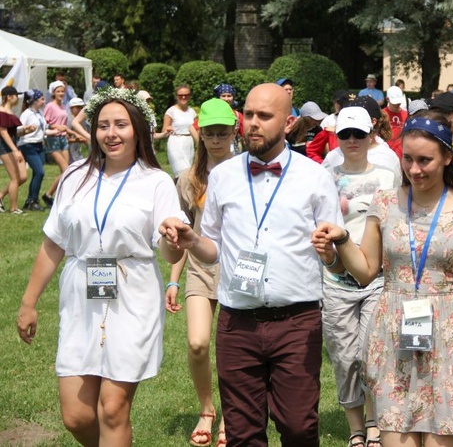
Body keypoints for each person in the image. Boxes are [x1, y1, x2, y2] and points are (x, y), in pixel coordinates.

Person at [159, 83, 343, 445]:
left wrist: (330, 254)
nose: (253, 124)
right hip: (237, 322)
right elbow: (212, 249)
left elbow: (336, 257)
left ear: (289, 122)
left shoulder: (315, 177)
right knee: (243, 433)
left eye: (265, 116)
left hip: (297, 321)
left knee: (298, 426)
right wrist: (193, 240)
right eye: (249, 114)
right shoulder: (223, 177)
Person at [16, 88, 186, 446]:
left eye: (121, 125)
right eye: (103, 125)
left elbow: (171, 253)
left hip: (133, 293)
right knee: (76, 416)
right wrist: (29, 303)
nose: (111, 133)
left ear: (137, 129)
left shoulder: (155, 182)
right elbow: (53, 242)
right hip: (81, 294)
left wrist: (172, 242)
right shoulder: (75, 175)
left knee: (113, 408)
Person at [311, 111, 453, 446]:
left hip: (449, 333)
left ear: (447, 157)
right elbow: (365, 271)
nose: (414, 169)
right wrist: (342, 239)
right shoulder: (385, 202)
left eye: (425, 160)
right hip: (394, 328)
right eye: (407, 158)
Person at [321, 106, 399, 447]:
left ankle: (373, 424)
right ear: (336, 137)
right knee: (344, 357)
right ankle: (355, 428)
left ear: (371, 135)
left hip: (377, 278)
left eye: (358, 134)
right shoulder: (325, 173)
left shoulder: (388, 173)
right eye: (344, 134)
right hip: (336, 279)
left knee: (373, 352)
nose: (351, 141)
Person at [165, 98, 237, 447]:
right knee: (197, 344)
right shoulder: (188, 180)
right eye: (210, 133)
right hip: (200, 270)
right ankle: (207, 409)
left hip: (240, 272)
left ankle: (231, 417)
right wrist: (173, 280)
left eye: (223, 133)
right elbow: (181, 234)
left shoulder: (245, 173)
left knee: (233, 350)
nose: (217, 140)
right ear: (200, 134)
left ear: (234, 133)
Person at [0, 86, 33, 214]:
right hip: (4, 146)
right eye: (15, 95)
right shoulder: (1, 111)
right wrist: (15, 150)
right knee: (15, 177)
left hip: (11, 145)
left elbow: (13, 133)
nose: (18, 98)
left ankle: (1, 195)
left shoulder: (10, 112)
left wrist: (26, 130)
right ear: (9, 96)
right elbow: (3, 132)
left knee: (23, 176)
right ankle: (14, 208)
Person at [41, 80, 73, 207]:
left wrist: (70, 131)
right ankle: (49, 194)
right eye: (58, 91)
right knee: (65, 170)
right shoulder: (50, 106)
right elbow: (44, 122)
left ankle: (58, 197)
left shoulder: (63, 106)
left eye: (62, 91)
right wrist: (56, 126)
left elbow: (63, 125)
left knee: (67, 170)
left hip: (63, 139)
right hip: (53, 139)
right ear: (53, 93)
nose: (61, 93)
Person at [17, 89, 50, 211]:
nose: (44, 101)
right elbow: (18, 131)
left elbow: (43, 129)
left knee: (38, 174)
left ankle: (31, 200)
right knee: (40, 172)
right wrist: (27, 129)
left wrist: (55, 132)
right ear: (34, 101)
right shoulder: (26, 114)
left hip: (39, 145)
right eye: (41, 99)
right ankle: (32, 199)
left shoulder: (39, 113)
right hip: (28, 145)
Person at [161, 85, 198, 179]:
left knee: (188, 170)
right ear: (176, 96)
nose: (183, 97)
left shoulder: (192, 112)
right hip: (176, 142)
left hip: (188, 143)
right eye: (180, 95)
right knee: (182, 172)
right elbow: (164, 131)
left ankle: (178, 191)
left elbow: (195, 129)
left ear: (189, 96)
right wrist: (168, 129)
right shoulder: (171, 111)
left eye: (186, 95)